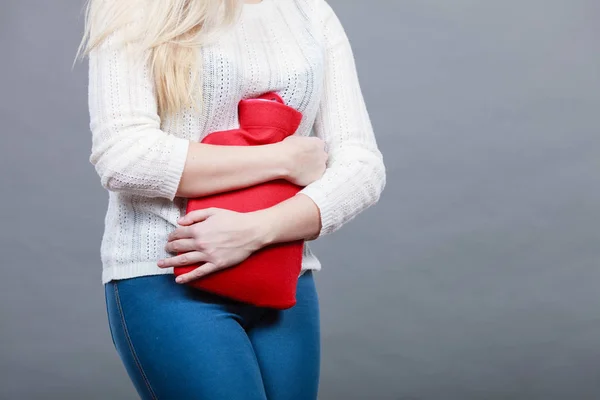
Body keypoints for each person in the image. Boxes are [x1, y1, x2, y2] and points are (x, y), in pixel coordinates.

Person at [76, 0, 386, 398]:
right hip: (168, 275)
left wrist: (257, 230)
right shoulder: (138, 7)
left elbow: (363, 167)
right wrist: (282, 160)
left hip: (283, 278)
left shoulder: (308, 11)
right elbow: (124, 155)